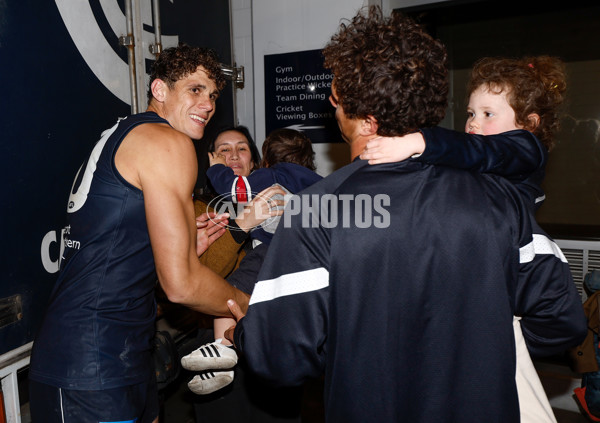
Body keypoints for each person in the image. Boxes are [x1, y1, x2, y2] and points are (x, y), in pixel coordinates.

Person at [224, 8, 587, 422]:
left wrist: (247, 333)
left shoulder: (320, 209)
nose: (332, 104)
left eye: (336, 96)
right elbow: (562, 319)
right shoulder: (498, 200)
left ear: (359, 113)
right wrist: (480, 350)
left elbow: (279, 358)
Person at [28, 44, 252, 423]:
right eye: (195, 90)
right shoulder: (168, 142)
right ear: (160, 90)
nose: (208, 104)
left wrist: (177, 247)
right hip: (91, 366)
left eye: (213, 95)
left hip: (123, 355)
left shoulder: (128, 132)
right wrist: (247, 307)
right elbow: (180, 285)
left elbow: (111, 243)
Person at [360, 55, 568, 423]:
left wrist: (420, 141)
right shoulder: (479, 162)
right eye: (471, 113)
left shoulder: (525, 149)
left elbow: (485, 151)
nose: (473, 124)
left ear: (529, 125)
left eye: (489, 114)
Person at [181, 127, 322, 395]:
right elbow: (197, 277)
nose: (232, 156)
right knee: (230, 293)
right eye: (223, 151)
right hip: (219, 332)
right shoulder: (201, 209)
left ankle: (223, 348)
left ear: (258, 162)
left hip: (275, 341)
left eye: (241, 148)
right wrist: (242, 224)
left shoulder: (271, 182)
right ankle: (221, 352)